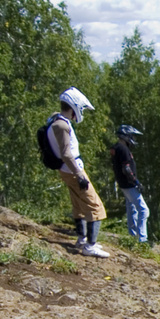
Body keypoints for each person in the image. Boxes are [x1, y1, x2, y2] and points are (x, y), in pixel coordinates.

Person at [47, 87, 109, 258]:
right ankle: (90, 245)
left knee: (78, 204)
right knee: (94, 206)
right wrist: (80, 174)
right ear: (74, 107)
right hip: (73, 170)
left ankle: (82, 239)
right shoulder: (62, 125)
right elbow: (67, 153)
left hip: (66, 170)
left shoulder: (56, 121)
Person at [110, 125, 149, 243]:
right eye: (132, 136)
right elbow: (126, 169)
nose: (133, 139)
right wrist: (136, 182)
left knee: (132, 209)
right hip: (128, 184)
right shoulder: (123, 149)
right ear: (126, 135)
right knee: (143, 210)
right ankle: (142, 239)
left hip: (122, 184)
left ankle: (132, 236)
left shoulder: (116, 148)